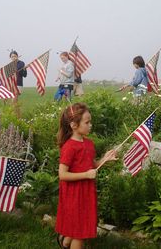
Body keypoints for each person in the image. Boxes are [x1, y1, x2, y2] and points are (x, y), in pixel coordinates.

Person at [55, 103, 117, 249]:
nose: (90, 125)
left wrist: (104, 160)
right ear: (74, 125)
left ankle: (65, 242)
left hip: (86, 193)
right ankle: (67, 241)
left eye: (90, 121)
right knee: (80, 233)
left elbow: (91, 166)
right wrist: (86, 175)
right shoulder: (69, 147)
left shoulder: (89, 144)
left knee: (78, 226)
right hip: (74, 194)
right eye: (87, 122)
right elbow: (62, 174)